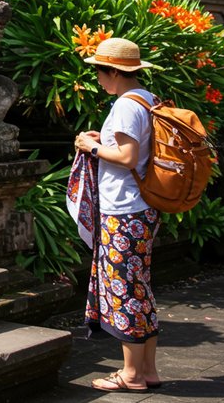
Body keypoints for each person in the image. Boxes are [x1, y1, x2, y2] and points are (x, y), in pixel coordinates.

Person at [72, 37, 163, 392]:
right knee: (140, 288)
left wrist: (91, 146)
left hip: (124, 210)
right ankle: (148, 370)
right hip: (143, 208)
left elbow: (127, 158)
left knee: (124, 289)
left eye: (98, 71)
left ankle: (131, 374)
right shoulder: (147, 98)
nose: (97, 79)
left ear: (112, 71)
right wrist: (103, 143)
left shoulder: (126, 105)